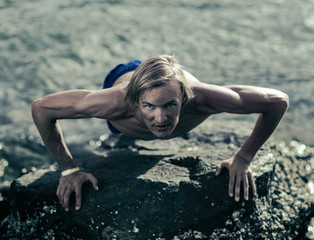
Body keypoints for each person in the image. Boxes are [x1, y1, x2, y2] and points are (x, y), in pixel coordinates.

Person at [31, 55, 289, 212]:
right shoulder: (114, 103)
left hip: (172, 77)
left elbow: (278, 101)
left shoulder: (204, 98)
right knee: (116, 136)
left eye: (170, 105)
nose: (161, 118)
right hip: (125, 75)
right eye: (149, 107)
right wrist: (68, 169)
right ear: (135, 103)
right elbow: (41, 108)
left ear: (184, 98)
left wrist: (244, 158)